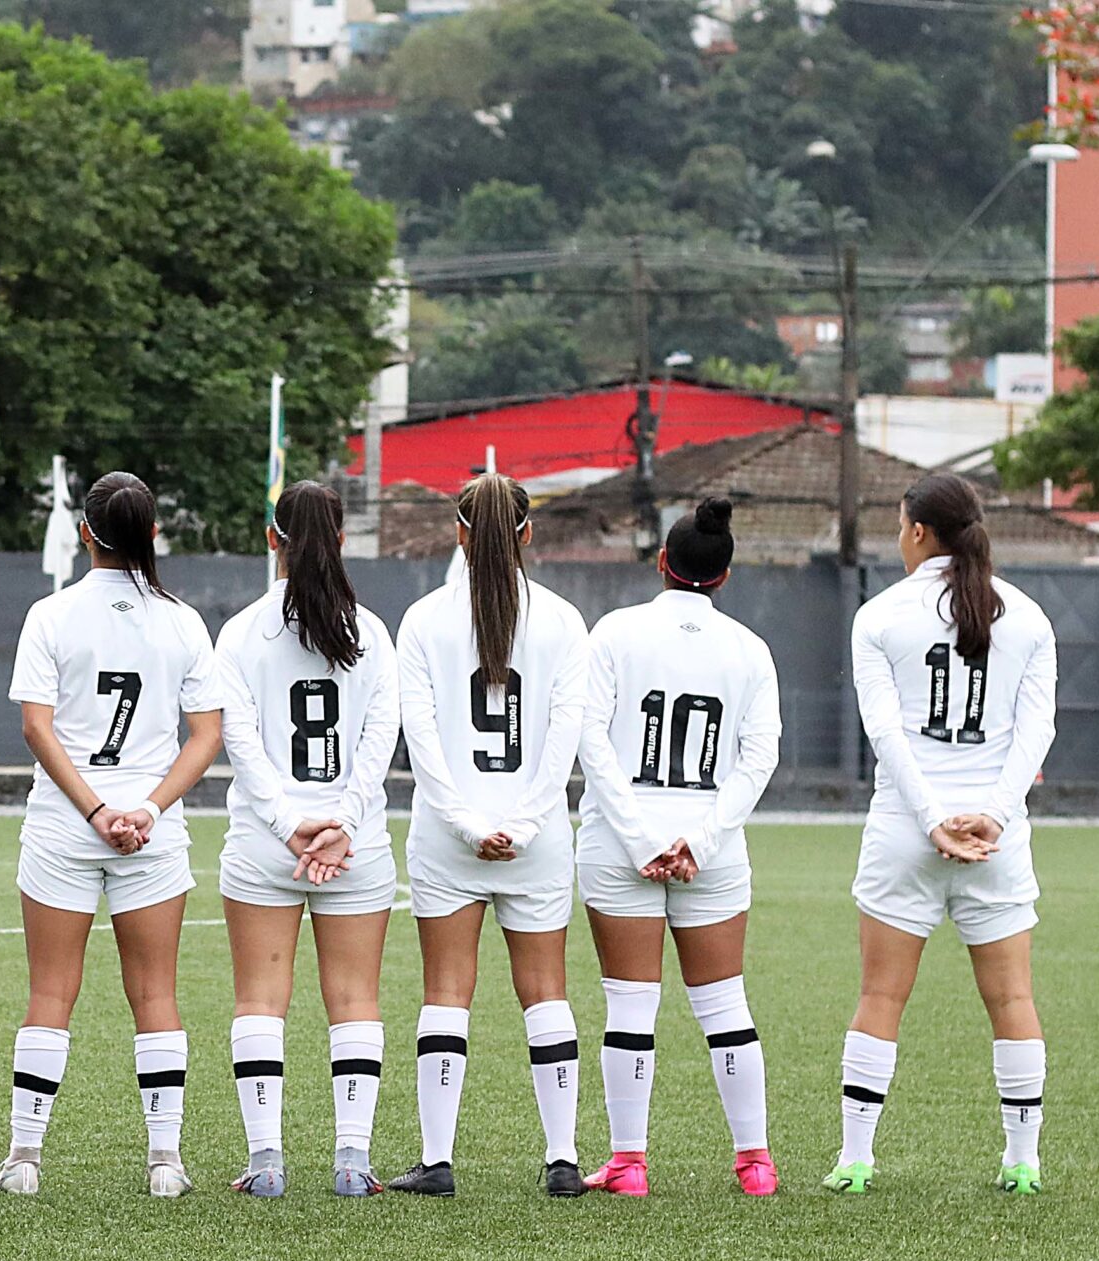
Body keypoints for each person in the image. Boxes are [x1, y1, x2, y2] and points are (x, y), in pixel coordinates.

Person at [0, 470, 224, 1197]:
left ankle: (25, 1159)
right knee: (155, 995)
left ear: (87, 532)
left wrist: (95, 810)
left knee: (50, 994)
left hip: (66, 826)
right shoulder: (183, 620)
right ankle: (165, 1164)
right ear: (151, 532)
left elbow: (36, 725)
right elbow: (206, 736)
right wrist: (147, 809)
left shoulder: (52, 613)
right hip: (152, 835)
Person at [833, 473, 1058, 1194]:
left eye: (901, 527)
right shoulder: (1028, 615)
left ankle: (856, 1161)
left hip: (906, 831)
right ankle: (1022, 1162)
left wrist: (932, 819)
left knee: (880, 998)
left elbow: (885, 734)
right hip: (997, 839)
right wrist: (991, 813)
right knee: (1013, 1000)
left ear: (920, 532)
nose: (898, 539)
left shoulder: (880, 615)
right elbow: (1037, 733)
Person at [574, 496, 782, 1197]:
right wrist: (701, 839)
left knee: (631, 1004)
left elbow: (590, 742)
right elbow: (760, 759)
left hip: (616, 844)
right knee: (725, 1004)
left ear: (662, 562)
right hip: (711, 851)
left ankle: (629, 1164)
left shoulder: (614, 632)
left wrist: (639, 838)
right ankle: (755, 1162)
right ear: (724, 576)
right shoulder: (751, 649)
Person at [393, 472, 591, 1198]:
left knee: (447, 991)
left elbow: (422, 742)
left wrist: (468, 824)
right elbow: (565, 737)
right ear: (527, 535)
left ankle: (437, 1161)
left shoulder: (422, 620)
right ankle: (563, 1159)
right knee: (546, 992)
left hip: (448, 838)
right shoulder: (566, 621)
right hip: (536, 840)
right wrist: (528, 821)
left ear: (458, 533)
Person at [211, 480, 399, 1200]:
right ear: (343, 539)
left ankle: (267, 1163)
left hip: (267, 843)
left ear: (272, 539)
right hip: (355, 847)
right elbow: (381, 741)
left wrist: (292, 824)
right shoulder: (373, 633)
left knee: (260, 998)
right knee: (354, 999)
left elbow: (241, 743)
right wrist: (342, 823)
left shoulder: (240, 632)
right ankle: (352, 1161)